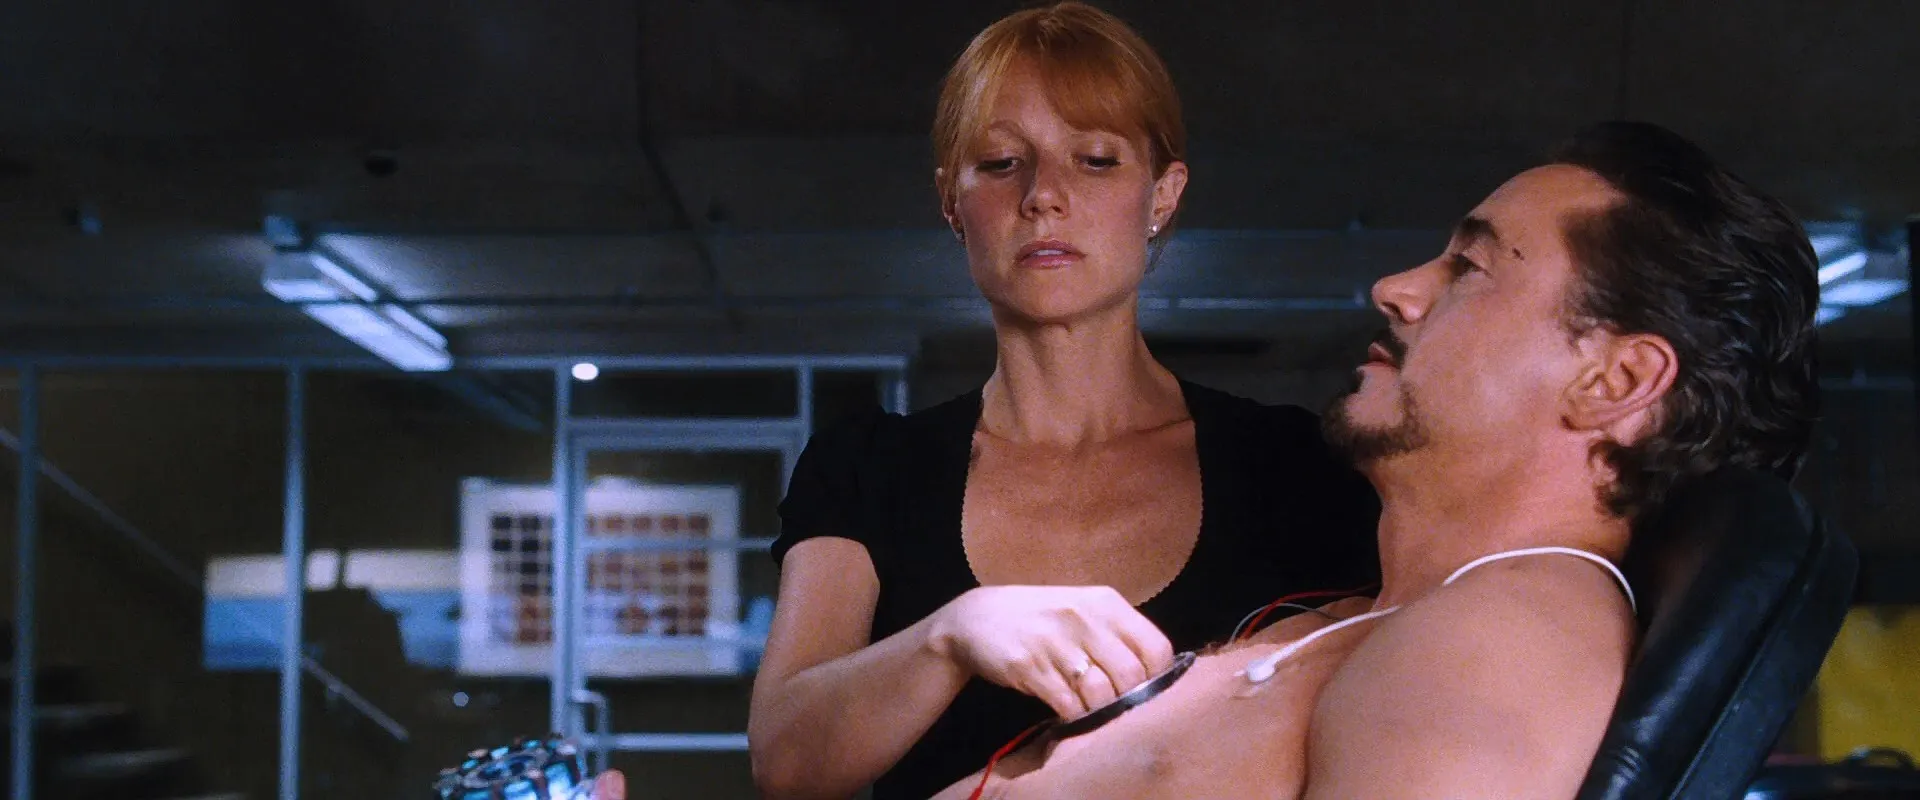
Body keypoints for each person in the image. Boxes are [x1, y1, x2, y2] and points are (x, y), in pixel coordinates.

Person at [594, 3, 1381, 799]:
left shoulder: (1295, 467)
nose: (1044, 195)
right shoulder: (869, 467)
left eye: (1096, 160)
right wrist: (949, 636)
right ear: (951, 201)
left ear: (1163, 195)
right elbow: (787, 762)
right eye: (1002, 163)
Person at [919, 121, 1821, 799]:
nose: (1396, 288)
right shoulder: (1387, 618)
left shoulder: (1496, 647)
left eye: (1469, 267)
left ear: (1614, 380)